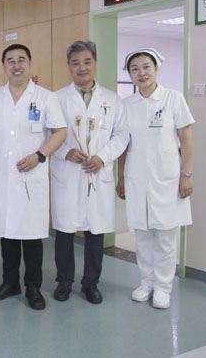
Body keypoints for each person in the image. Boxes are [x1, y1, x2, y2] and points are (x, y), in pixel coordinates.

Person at [0, 43, 66, 310]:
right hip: (3, 175)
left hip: (32, 174)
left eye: (21, 60)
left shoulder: (46, 97)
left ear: (29, 63)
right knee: (7, 234)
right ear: (3, 65)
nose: (16, 65)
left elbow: (60, 132)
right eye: (10, 60)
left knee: (31, 235)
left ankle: (33, 287)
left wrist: (40, 155)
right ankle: (10, 283)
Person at [50, 41, 129, 304]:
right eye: (76, 63)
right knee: (64, 232)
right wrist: (65, 152)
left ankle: (91, 284)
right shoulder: (57, 99)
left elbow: (122, 135)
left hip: (97, 172)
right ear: (69, 66)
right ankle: (63, 282)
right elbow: (47, 134)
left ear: (95, 64)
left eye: (87, 62)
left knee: (96, 232)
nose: (81, 67)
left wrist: (102, 158)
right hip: (68, 173)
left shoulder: (113, 100)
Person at [116, 48, 194, 310]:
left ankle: (163, 287)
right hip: (136, 178)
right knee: (143, 235)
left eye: (146, 67)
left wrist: (186, 175)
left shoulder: (173, 98)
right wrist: (121, 176)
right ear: (129, 74)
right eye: (135, 69)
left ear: (156, 69)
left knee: (165, 237)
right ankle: (146, 282)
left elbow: (186, 139)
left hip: (168, 179)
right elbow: (123, 144)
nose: (141, 73)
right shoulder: (126, 105)